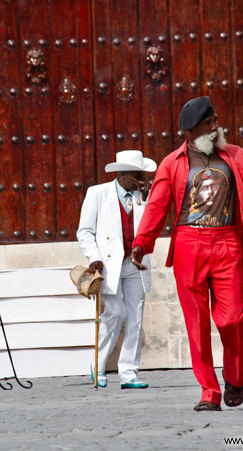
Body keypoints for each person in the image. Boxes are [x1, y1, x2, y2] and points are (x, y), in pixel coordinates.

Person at [131, 96, 243, 411]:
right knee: (196, 325)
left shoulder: (237, 156)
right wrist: (142, 243)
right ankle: (209, 393)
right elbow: (157, 207)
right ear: (191, 132)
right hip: (188, 245)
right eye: (208, 124)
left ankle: (234, 377)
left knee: (233, 319)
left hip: (227, 244)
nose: (215, 128)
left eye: (215, 121)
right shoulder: (172, 163)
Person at [77, 150, 157, 389]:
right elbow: (85, 231)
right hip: (109, 265)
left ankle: (129, 373)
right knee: (115, 313)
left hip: (136, 264)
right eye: (136, 174)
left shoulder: (144, 196)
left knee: (135, 318)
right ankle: (98, 366)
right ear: (123, 174)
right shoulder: (98, 193)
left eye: (142, 174)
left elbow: (153, 225)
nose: (141, 178)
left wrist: (148, 197)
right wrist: (94, 257)